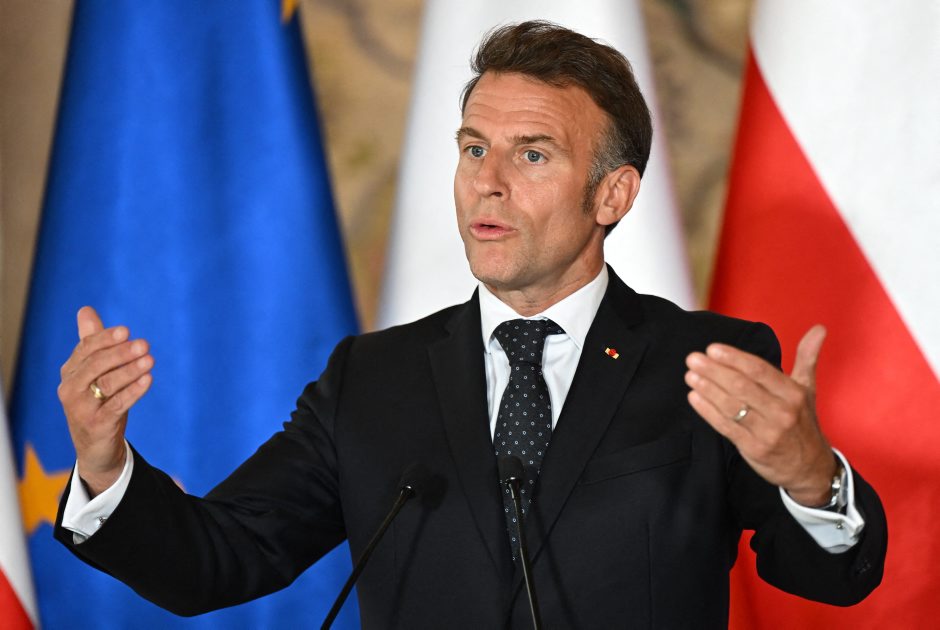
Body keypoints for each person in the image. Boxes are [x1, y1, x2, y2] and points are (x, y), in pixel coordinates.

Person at [55, 21, 886, 628]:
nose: (488, 182)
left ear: (613, 194)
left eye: (532, 154)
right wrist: (103, 465)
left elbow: (831, 579)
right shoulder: (371, 380)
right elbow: (218, 560)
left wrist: (811, 478)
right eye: (473, 148)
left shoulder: (706, 362)